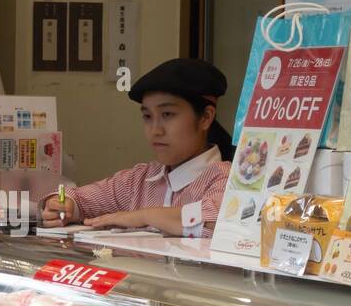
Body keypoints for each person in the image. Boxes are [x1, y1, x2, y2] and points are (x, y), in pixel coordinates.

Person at [41, 58, 234, 237]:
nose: (155, 130)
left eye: (168, 114)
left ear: (206, 117)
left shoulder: (228, 179)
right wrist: (64, 205)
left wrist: (144, 216)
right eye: (147, 117)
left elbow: (218, 222)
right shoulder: (140, 179)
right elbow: (80, 198)